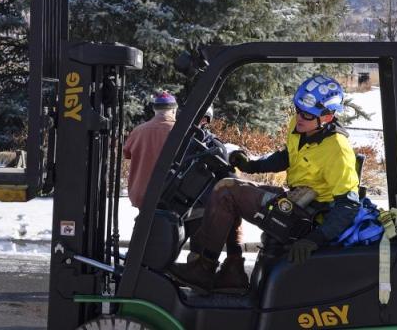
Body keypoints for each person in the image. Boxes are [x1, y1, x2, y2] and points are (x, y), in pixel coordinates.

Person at [168, 74, 359, 295]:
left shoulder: (337, 149)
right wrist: (251, 166)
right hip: (294, 200)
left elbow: (349, 204)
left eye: (307, 114)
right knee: (226, 186)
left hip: (308, 218)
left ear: (327, 116)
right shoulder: (301, 127)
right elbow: (288, 156)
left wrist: (315, 239)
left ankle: (204, 268)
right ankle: (232, 271)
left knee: (227, 193)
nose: (299, 117)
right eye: (297, 109)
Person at [123, 91, 178, 209]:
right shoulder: (181, 131)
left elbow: (126, 153)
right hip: (171, 197)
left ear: (155, 110)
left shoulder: (138, 131)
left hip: (142, 196)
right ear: (174, 110)